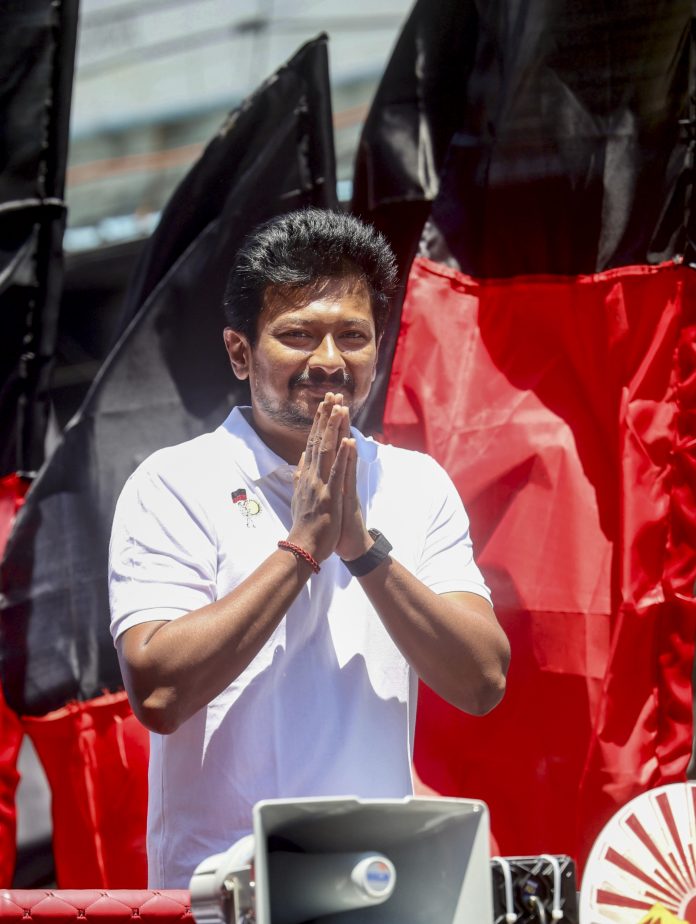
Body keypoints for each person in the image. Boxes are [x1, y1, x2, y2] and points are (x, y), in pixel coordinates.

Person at [109, 208, 510, 888]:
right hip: (226, 890)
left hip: (380, 885)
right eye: (298, 334)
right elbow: (159, 692)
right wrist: (301, 549)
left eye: (353, 336)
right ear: (240, 352)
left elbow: (482, 681)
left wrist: (362, 549)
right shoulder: (174, 482)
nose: (328, 361)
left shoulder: (416, 483)